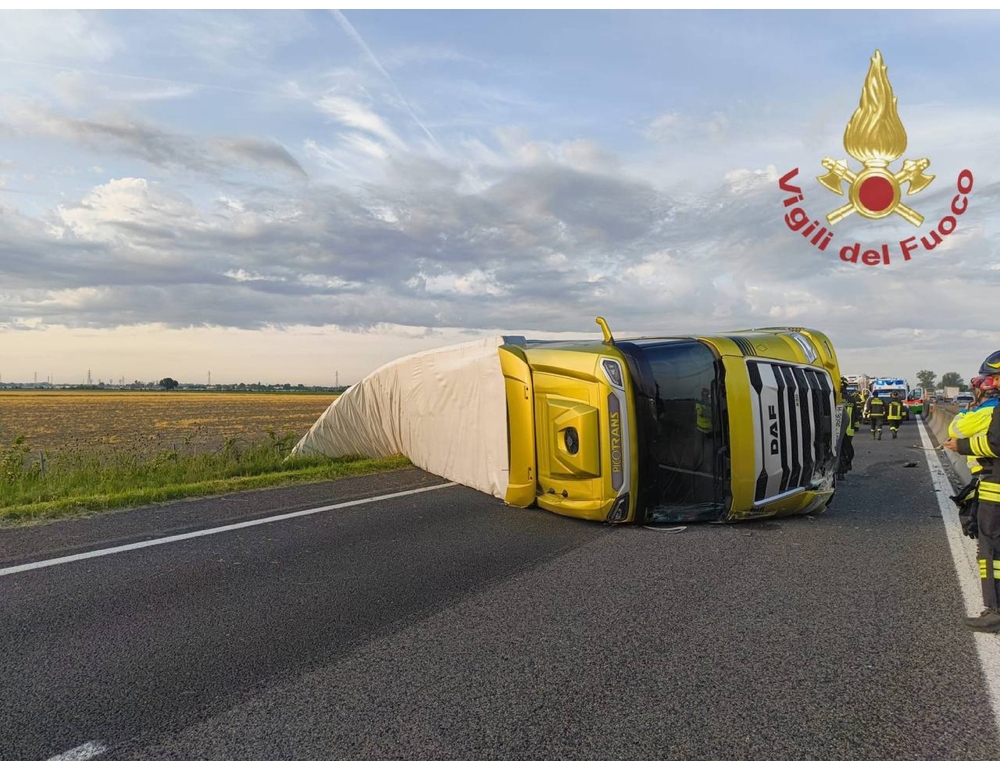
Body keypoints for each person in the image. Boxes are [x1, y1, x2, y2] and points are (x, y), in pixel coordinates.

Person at [943, 349, 1000, 632]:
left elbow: (995, 445)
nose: (988, 384)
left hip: (995, 485)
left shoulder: (993, 409)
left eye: (992, 378)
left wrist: (962, 447)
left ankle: (994, 611)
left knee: (990, 548)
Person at [837, 379, 856, 480]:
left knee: (837, 450)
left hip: (836, 430)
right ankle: (842, 471)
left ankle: (837, 470)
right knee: (845, 450)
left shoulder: (836, 398)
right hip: (849, 430)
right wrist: (856, 426)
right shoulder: (852, 399)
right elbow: (855, 415)